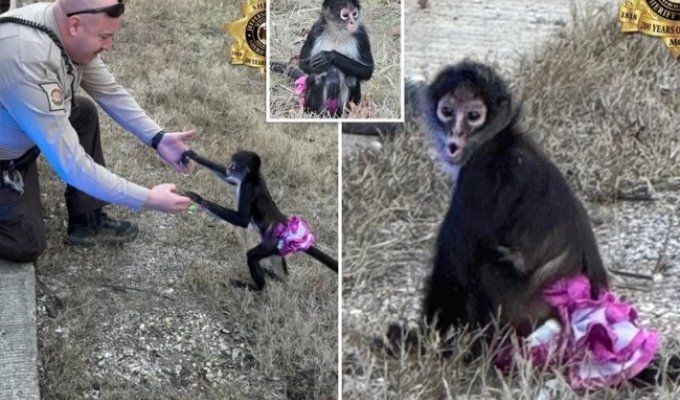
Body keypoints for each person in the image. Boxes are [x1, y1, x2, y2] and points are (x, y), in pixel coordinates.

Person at [0, 0, 194, 262]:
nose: (109, 46)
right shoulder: (28, 60)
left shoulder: (59, 25)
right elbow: (73, 167)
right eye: (104, 37)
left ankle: (88, 221)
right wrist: (147, 199)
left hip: (18, 129)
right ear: (75, 25)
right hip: (6, 154)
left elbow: (108, 90)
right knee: (26, 243)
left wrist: (157, 138)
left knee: (83, 112)